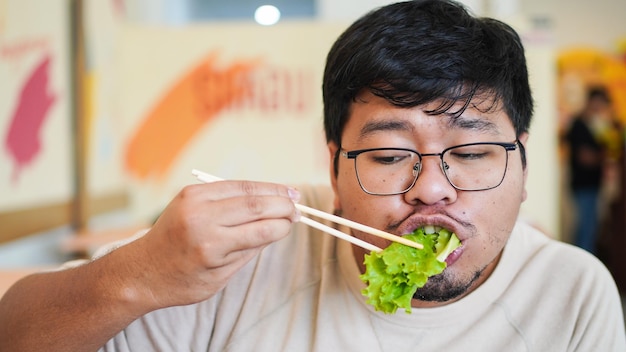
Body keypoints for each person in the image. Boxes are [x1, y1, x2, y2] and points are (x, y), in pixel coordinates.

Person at [1, 1, 624, 351]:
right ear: (331, 164)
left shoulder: (571, 294)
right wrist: (139, 275)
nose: (431, 189)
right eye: (387, 156)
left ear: (521, 162)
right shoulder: (241, 269)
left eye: (470, 154)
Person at [564, 86, 615, 254]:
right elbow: (584, 157)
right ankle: (584, 264)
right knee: (587, 228)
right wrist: (604, 155)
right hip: (583, 184)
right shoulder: (579, 125)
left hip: (590, 183)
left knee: (588, 226)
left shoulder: (593, 125)